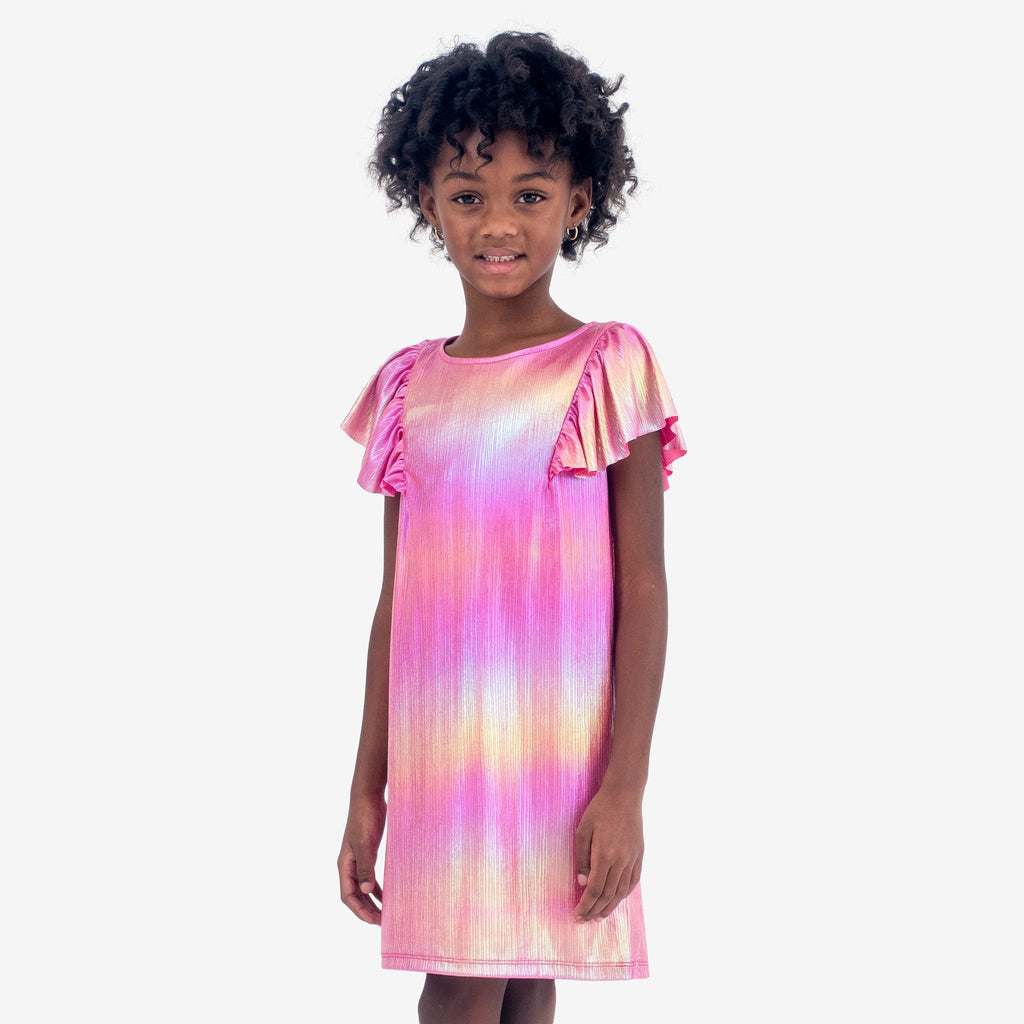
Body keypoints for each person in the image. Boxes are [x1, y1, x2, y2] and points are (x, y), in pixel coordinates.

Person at [337, 31, 686, 1024]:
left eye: (530, 194)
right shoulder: (408, 386)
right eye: (467, 194)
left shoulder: (607, 364)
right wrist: (366, 788)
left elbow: (644, 587)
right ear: (426, 202)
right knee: (474, 981)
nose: (498, 222)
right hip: (444, 754)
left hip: (558, 754)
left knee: (513, 981)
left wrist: (625, 786)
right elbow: (396, 602)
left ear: (578, 201)